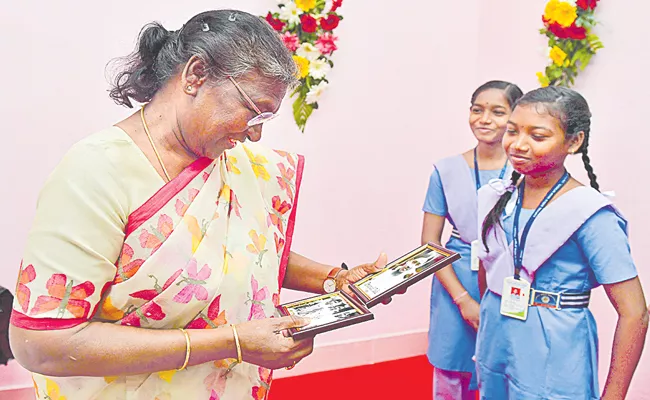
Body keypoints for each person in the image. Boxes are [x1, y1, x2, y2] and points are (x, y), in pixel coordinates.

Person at [8, 10, 389, 400]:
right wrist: (233, 343)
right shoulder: (96, 171)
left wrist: (334, 279)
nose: (256, 134)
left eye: (267, 118)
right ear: (195, 75)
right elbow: (42, 344)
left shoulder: (231, 163)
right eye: (253, 110)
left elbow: (246, 250)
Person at [476, 86, 648, 399]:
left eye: (537, 136)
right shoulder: (498, 198)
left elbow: (635, 312)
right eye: (512, 131)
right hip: (497, 335)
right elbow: (487, 264)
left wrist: (614, 395)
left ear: (574, 141)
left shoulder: (591, 214)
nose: (518, 145)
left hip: (556, 345)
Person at [421, 80, 523, 399]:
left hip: (509, 282)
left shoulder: (526, 171)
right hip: (456, 279)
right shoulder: (445, 170)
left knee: (508, 370)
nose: (484, 119)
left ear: (515, 117)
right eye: (477, 110)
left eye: (497, 111)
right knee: (451, 369)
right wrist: (463, 300)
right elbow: (430, 244)